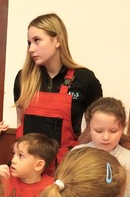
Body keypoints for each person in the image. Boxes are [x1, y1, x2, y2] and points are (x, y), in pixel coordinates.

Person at [14, 13, 102, 165]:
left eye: (37, 40)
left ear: (57, 40)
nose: (31, 49)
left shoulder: (85, 79)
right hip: (28, 168)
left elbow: (95, 125)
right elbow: (20, 121)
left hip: (65, 166)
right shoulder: (23, 78)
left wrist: (73, 152)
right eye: (29, 43)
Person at [0, 133, 58, 197]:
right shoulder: (5, 177)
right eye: (14, 154)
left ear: (38, 165)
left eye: (20, 156)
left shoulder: (51, 187)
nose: (13, 160)